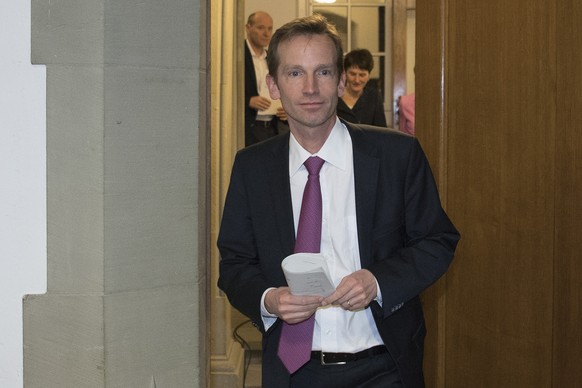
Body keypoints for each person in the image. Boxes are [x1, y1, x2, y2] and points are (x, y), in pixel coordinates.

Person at [218, 14, 459, 388]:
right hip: (294, 371)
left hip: (385, 366)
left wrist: (378, 281)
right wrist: (269, 300)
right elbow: (234, 264)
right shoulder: (252, 167)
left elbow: (437, 241)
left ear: (342, 79)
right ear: (274, 85)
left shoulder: (398, 155)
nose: (310, 88)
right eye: (295, 73)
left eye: (324, 72)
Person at [244, 11, 288, 146]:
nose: (266, 33)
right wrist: (248, 101)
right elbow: (224, 91)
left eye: (270, 28)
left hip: (272, 127)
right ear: (248, 28)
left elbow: (283, 89)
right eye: (261, 28)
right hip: (247, 126)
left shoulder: (272, 58)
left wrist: (286, 109)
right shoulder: (237, 56)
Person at [337, 48, 387, 127]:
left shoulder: (374, 97)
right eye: (352, 74)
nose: (357, 80)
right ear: (345, 74)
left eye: (362, 75)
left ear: (369, 76)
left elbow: (381, 131)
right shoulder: (334, 97)